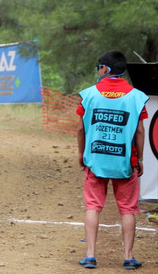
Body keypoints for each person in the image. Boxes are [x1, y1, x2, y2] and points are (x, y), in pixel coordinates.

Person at [76, 50, 148, 270]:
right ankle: (128, 257)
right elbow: (140, 132)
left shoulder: (88, 95)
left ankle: (90, 255)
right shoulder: (136, 97)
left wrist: (81, 154)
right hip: (125, 162)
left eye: (99, 67)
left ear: (105, 69)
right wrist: (141, 159)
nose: (98, 70)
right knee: (128, 210)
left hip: (95, 161)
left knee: (93, 207)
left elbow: (80, 129)